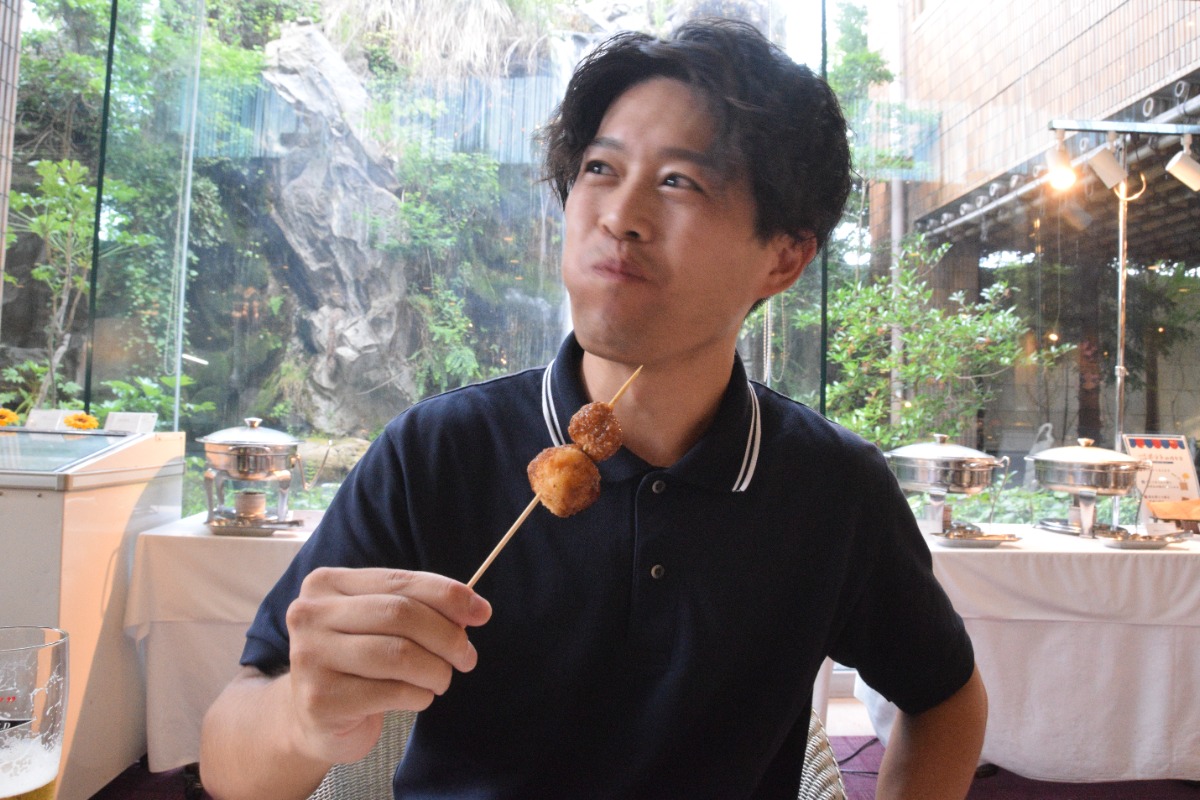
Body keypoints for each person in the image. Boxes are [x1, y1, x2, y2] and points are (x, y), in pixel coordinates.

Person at [200, 17, 987, 800]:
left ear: (783, 257)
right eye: (601, 168)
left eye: (679, 181)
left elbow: (946, 698)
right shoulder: (437, 452)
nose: (620, 215)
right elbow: (231, 764)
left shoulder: (832, 487)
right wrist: (301, 719)